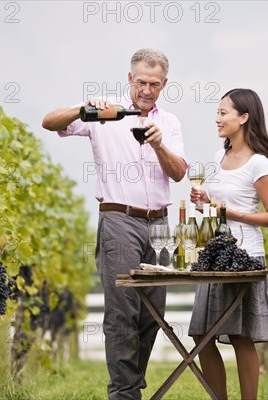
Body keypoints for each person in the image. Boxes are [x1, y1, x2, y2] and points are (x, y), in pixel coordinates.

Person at [42, 48, 187, 399]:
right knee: (122, 310)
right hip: (119, 217)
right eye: (141, 82)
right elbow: (49, 121)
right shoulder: (105, 113)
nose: (147, 90)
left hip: (160, 226)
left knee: (153, 313)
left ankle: (129, 383)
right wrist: (83, 109)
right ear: (129, 79)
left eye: (154, 84)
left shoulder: (169, 122)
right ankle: (124, 393)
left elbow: (180, 173)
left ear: (164, 84)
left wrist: (159, 145)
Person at [188, 88, 268, 400]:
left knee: (241, 338)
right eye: (217, 112)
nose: (217, 119)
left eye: (223, 113)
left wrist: (231, 212)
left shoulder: (259, 163)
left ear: (244, 118)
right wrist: (204, 202)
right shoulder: (219, 157)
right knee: (202, 336)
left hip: (245, 258)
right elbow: (220, 208)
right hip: (217, 254)